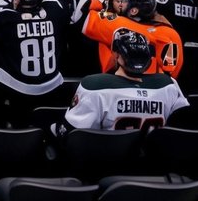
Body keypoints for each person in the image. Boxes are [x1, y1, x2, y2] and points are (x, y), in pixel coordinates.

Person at [62, 28, 190, 132]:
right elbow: (181, 131)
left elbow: (72, 134)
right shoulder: (169, 85)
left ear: (116, 54)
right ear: (148, 58)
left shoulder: (94, 86)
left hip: (107, 160)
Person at [82, 0, 184, 79]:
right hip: (157, 89)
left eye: (123, 1)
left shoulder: (117, 23)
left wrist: (102, 1)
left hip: (118, 84)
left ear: (133, 11)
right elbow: (173, 73)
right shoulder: (170, 33)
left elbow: (82, 12)